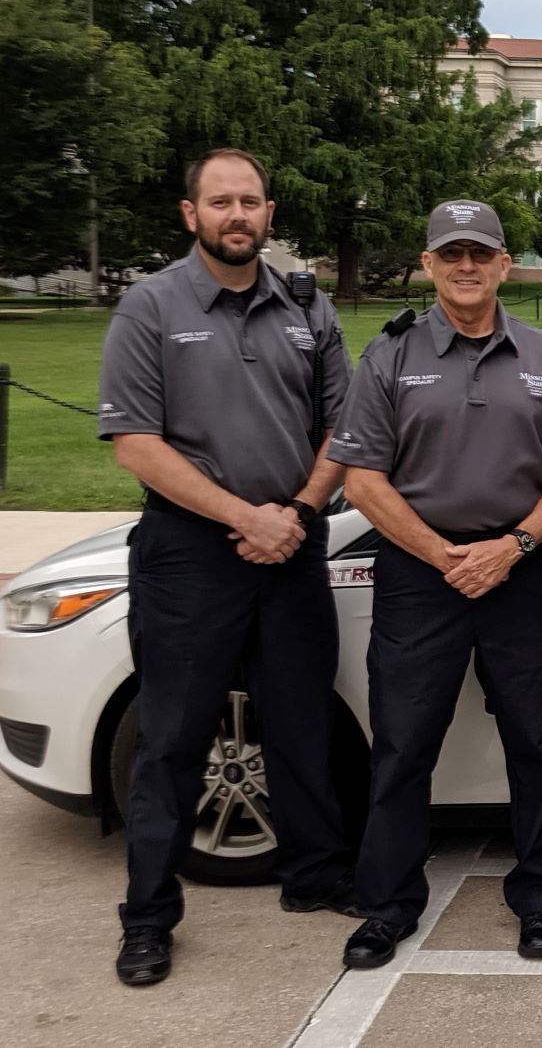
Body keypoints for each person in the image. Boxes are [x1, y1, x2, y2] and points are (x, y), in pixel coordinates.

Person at [98, 148, 356, 987]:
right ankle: (148, 917)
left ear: (268, 213)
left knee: (300, 719)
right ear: (191, 215)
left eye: (249, 201)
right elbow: (135, 441)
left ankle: (315, 876)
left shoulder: (305, 306)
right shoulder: (150, 306)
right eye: (220, 202)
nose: (236, 214)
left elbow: (341, 432)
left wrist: (299, 513)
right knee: (172, 738)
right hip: (189, 553)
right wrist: (244, 516)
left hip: (292, 541)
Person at [327, 200, 542, 968]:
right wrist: (444, 555)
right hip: (420, 574)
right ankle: (387, 901)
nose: (466, 266)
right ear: (429, 264)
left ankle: (540, 893)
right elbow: (364, 477)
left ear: (505, 264)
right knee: (404, 743)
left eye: (481, 253)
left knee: (538, 740)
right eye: (451, 255)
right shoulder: (391, 354)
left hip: (520, 568)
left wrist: (510, 546)